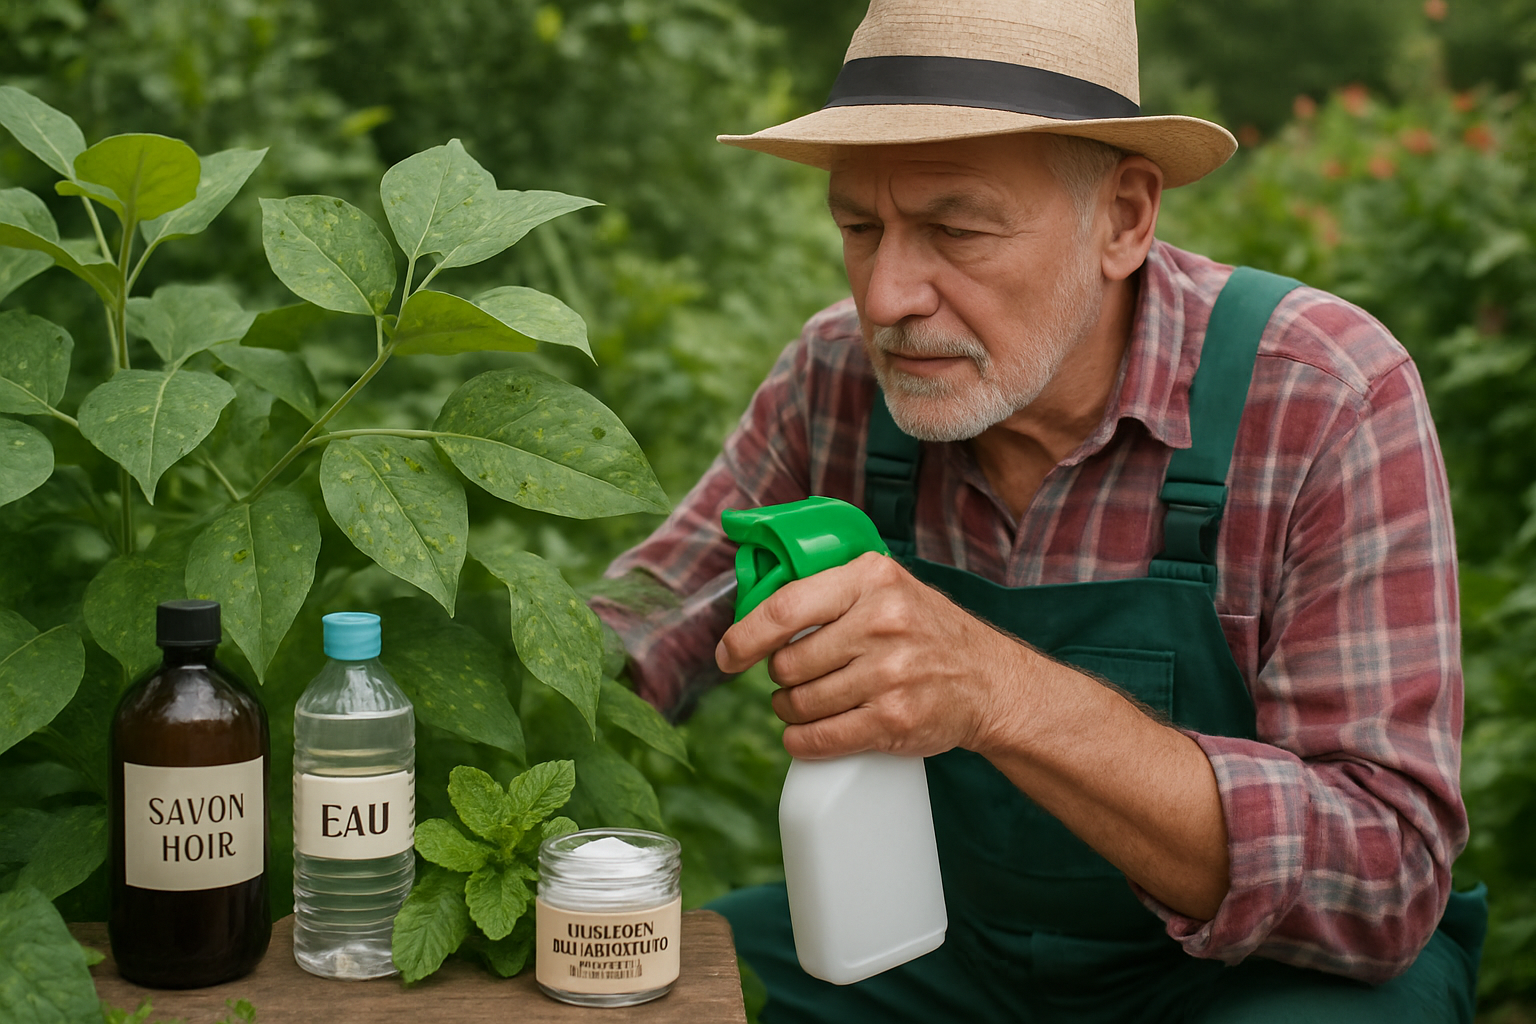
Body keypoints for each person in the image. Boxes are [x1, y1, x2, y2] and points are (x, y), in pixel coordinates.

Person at [588, 1, 1486, 1020]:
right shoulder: (836, 377)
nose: (886, 297)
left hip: (1254, 978)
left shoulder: (1322, 395)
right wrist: (452, 695)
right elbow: (647, 626)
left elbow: (1386, 879)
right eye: (860, 226)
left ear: (1124, 217)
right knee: (650, 976)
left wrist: (997, 690)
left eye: (954, 230)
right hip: (933, 938)